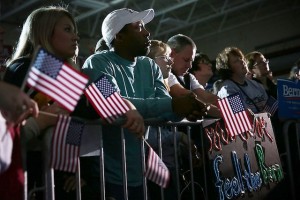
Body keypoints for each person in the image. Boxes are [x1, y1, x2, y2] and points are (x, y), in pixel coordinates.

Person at [81, 8, 206, 199]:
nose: (147, 32)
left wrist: (186, 110)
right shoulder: (96, 63)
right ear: (120, 37)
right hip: (108, 176)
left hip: (144, 170)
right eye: (139, 27)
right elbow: (113, 102)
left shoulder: (149, 66)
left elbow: (164, 108)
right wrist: (173, 106)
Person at [2, 6, 85, 200]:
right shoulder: (22, 68)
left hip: (60, 174)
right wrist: (42, 122)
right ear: (45, 32)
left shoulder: (68, 73)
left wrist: (78, 171)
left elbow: (81, 115)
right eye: (67, 30)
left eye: (75, 31)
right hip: (26, 174)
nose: (76, 37)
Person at [215, 47, 268, 113]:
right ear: (228, 69)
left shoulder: (257, 85)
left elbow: (271, 109)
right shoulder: (228, 90)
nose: (242, 61)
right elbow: (241, 115)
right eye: (236, 61)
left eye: (241, 58)